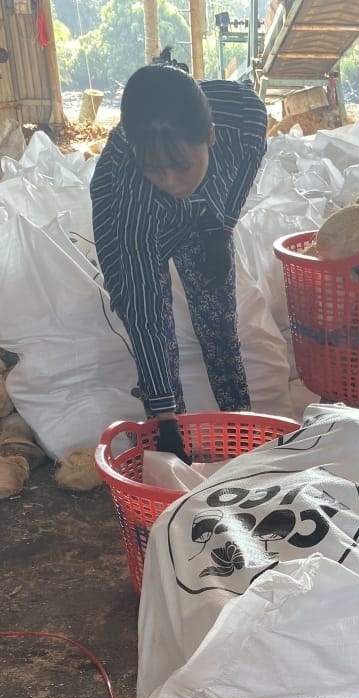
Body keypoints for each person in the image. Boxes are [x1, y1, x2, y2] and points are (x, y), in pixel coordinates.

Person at [91, 64, 268, 458]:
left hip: (206, 205)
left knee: (218, 314)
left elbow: (238, 179)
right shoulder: (133, 196)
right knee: (146, 310)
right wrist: (163, 415)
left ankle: (238, 426)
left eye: (181, 166)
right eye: (156, 170)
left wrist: (221, 228)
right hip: (127, 208)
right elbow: (145, 304)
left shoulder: (246, 120)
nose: (170, 182)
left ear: (211, 136)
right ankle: (172, 431)